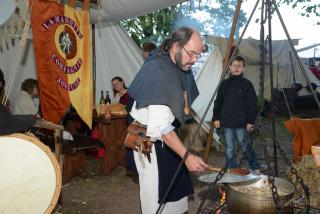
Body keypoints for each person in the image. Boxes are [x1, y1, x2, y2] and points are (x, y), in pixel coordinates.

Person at [127, 27, 207, 213]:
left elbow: (182, 103)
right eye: (192, 54)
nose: (195, 60)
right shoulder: (159, 71)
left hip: (167, 140)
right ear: (176, 46)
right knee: (156, 200)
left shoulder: (175, 62)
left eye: (198, 55)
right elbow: (161, 127)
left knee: (174, 196)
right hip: (150, 143)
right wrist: (187, 156)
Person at [213, 55, 261, 171]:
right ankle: (232, 168)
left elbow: (252, 104)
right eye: (234, 65)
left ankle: (255, 166)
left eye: (239, 66)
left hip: (241, 122)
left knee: (245, 146)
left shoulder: (247, 84)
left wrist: (250, 121)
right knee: (229, 148)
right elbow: (218, 102)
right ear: (229, 67)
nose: (237, 68)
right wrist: (216, 118)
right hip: (227, 122)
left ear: (243, 68)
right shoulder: (224, 84)